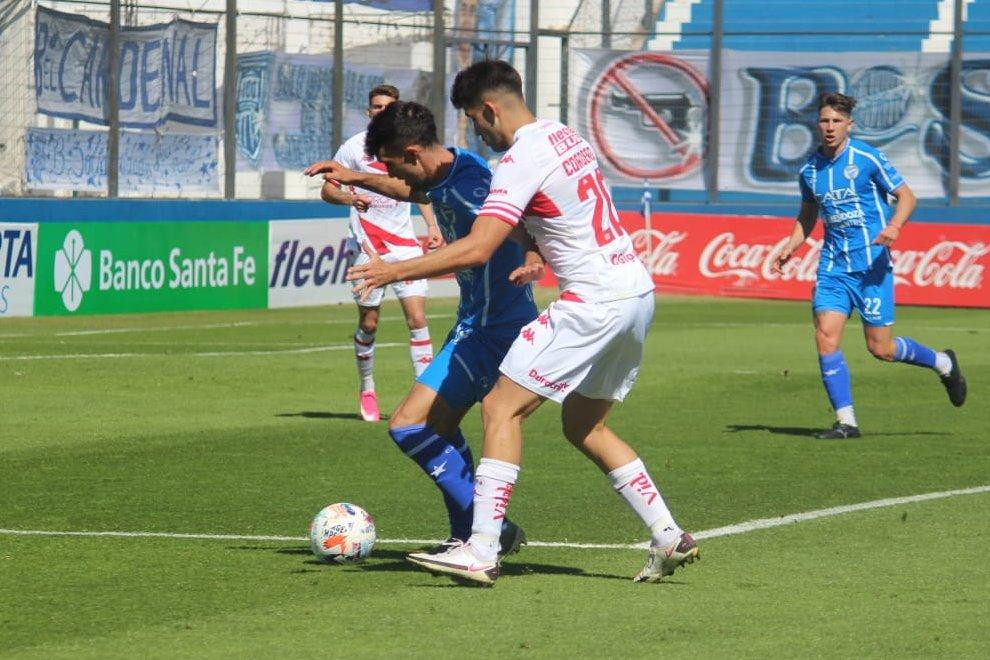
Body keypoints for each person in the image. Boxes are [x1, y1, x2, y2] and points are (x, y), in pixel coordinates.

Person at [347, 60, 698, 585]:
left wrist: (393, 269)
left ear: (489, 109)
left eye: (475, 120)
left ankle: (482, 547)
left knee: (500, 408)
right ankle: (669, 534)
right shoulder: (565, 136)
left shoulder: (519, 158)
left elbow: (481, 245)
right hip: (635, 291)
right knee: (585, 426)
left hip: (594, 301)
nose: (478, 133)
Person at [305, 100, 543, 558]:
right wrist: (355, 177)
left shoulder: (473, 185)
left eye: (395, 165)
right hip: (474, 323)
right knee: (436, 424)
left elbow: (505, 232)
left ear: (414, 153)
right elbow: (410, 191)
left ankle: (484, 529)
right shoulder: (452, 169)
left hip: (499, 329)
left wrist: (533, 254)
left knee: (409, 425)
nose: (395, 176)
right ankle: (474, 534)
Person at [773, 92, 967, 439]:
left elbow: (907, 196)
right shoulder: (809, 171)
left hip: (872, 266)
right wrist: (791, 245)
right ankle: (846, 422)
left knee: (881, 348)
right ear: (818, 124)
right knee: (825, 337)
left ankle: (943, 363)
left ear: (849, 124)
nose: (830, 127)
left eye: (836, 121)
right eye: (824, 121)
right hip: (833, 266)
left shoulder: (866, 158)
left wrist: (893, 226)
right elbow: (808, 214)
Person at [320, 84, 442, 422]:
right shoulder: (353, 149)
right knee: (369, 323)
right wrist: (349, 198)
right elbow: (328, 190)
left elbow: (420, 191)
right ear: (369, 111)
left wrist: (432, 227)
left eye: (388, 106)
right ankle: (368, 387)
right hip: (367, 247)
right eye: (376, 106)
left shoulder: (407, 147)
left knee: (417, 320)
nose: (381, 110)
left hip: (404, 246)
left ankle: (424, 399)